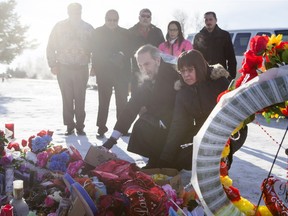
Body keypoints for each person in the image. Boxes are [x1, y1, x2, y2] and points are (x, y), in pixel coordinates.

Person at [102, 44, 179, 168]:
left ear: (157, 60)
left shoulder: (174, 73)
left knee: (148, 123)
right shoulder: (146, 79)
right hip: (161, 122)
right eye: (140, 65)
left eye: (147, 64)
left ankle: (168, 160)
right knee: (143, 123)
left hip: (180, 127)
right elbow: (131, 108)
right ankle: (155, 159)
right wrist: (112, 140)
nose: (143, 69)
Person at [158, 50, 231, 170]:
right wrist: (165, 158)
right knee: (182, 158)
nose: (186, 75)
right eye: (182, 71)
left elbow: (234, 112)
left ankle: (221, 168)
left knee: (210, 155)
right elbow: (178, 124)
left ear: (200, 67)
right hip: (203, 128)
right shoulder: (183, 92)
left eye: (190, 70)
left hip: (228, 130)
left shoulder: (219, 82)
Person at [46, 3, 94, 136]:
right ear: (68, 12)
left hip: (81, 67)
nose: (75, 13)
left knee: (80, 98)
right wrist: (53, 64)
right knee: (67, 98)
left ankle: (80, 126)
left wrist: (94, 66)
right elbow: (50, 46)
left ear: (81, 11)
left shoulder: (88, 28)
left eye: (77, 10)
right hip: (63, 67)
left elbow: (96, 49)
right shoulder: (59, 27)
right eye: (72, 10)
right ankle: (69, 126)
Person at [91, 10, 133, 138]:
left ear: (118, 20)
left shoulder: (126, 33)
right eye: (109, 20)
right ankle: (101, 128)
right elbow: (95, 51)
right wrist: (109, 58)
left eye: (115, 20)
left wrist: (121, 55)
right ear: (105, 19)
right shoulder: (97, 32)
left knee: (122, 102)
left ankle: (122, 128)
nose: (112, 22)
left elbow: (130, 50)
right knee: (103, 102)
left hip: (122, 73)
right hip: (104, 72)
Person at [129, 8, 165, 97]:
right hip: (137, 71)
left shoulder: (157, 32)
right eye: (143, 16)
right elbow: (127, 52)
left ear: (150, 18)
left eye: (148, 16)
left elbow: (162, 50)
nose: (145, 18)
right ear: (139, 17)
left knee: (153, 99)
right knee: (136, 99)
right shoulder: (130, 32)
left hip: (153, 72)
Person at [193, 11, 237, 80]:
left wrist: (230, 76)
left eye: (210, 19)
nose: (208, 22)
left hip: (220, 75)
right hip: (204, 76)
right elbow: (195, 57)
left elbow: (231, 58)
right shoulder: (198, 37)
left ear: (216, 20)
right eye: (206, 20)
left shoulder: (224, 35)